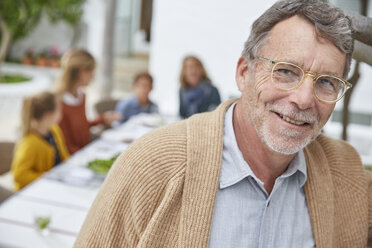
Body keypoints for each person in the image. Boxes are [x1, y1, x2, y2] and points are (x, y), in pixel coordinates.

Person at [74, 1, 372, 247]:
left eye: (326, 82)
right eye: (286, 71)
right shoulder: (152, 165)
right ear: (244, 73)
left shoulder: (345, 172)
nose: (304, 99)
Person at [55, 48, 120, 154]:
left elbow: (81, 127)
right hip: (72, 161)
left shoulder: (81, 95)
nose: (93, 76)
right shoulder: (59, 102)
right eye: (91, 72)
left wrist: (102, 119)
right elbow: (65, 145)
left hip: (83, 153)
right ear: (81, 72)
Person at [11, 91, 69, 191]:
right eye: (59, 109)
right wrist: (47, 177)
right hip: (34, 192)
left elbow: (64, 157)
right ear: (49, 115)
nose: (61, 112)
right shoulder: (29, 143)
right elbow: (19, 175)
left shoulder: (55, 130)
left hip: (54, 187)